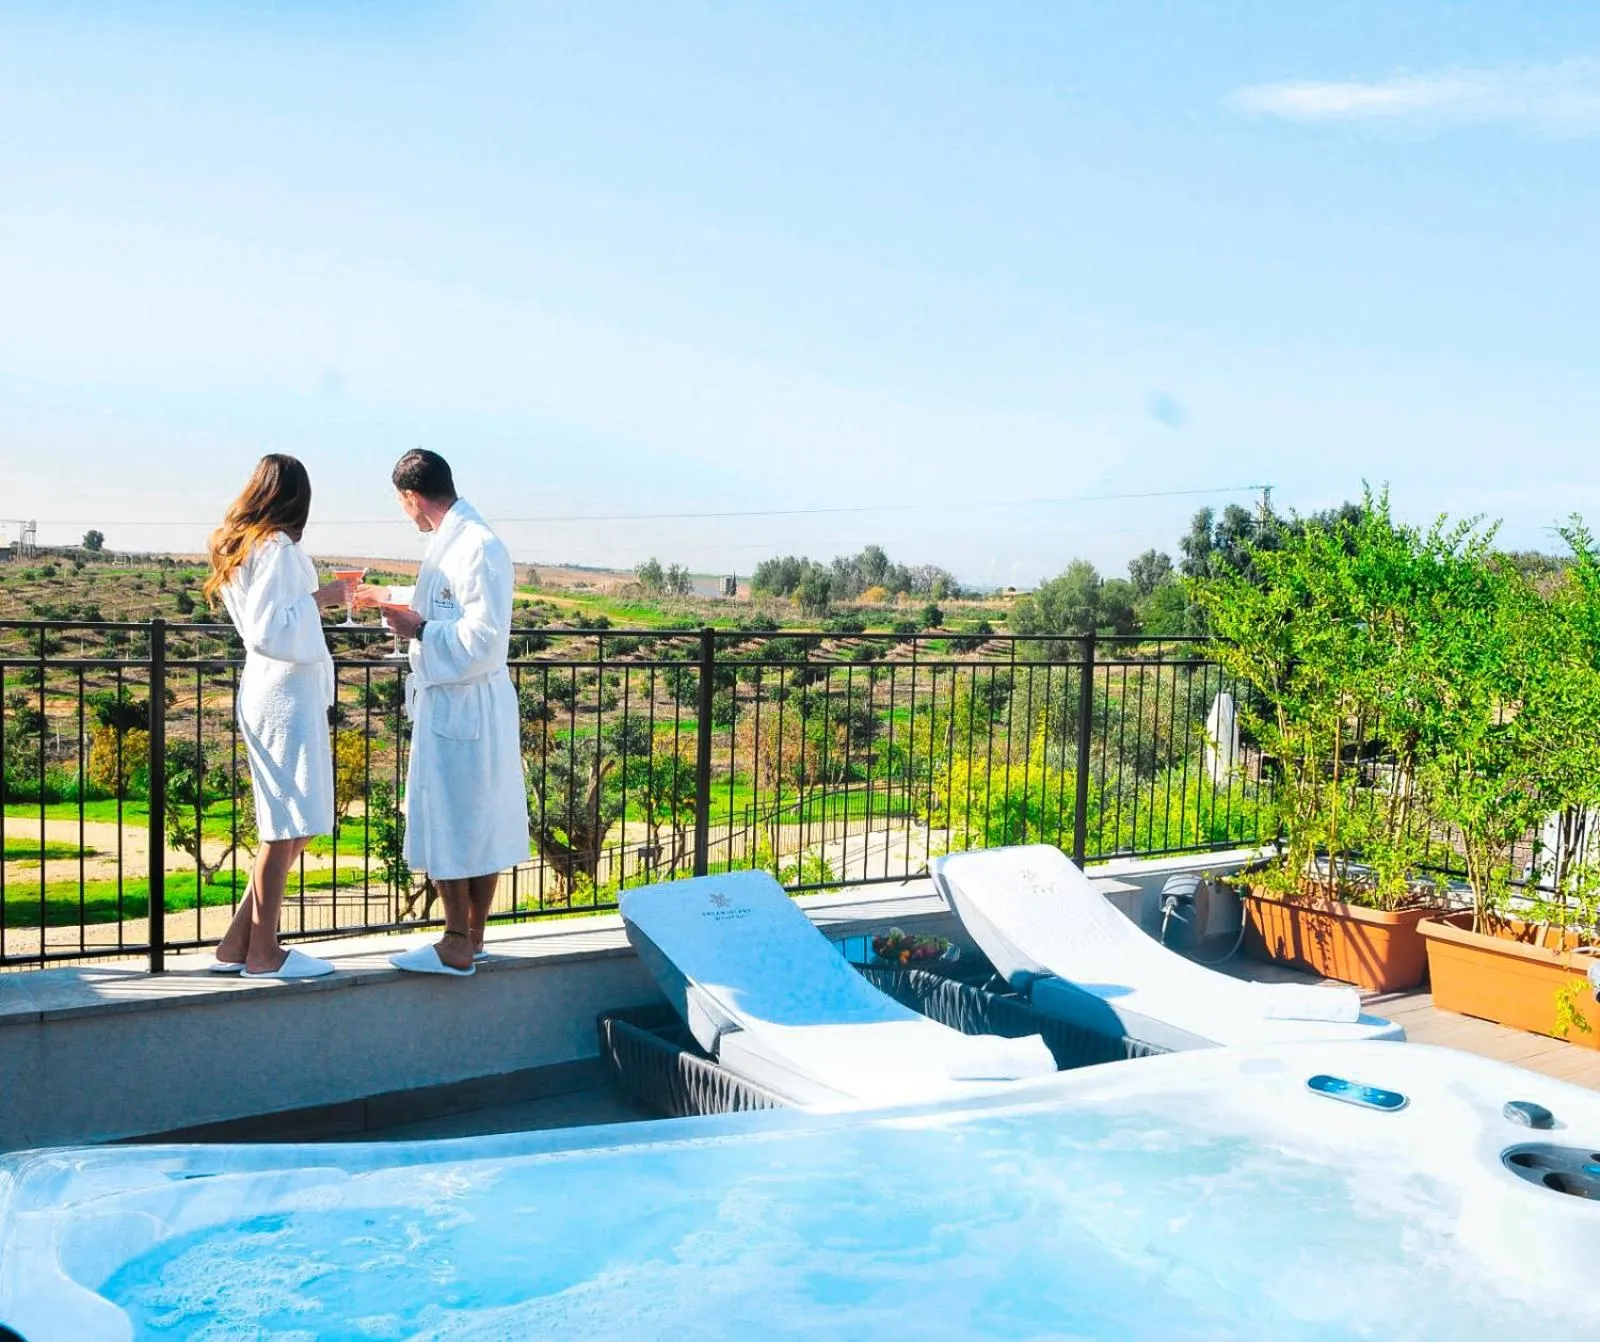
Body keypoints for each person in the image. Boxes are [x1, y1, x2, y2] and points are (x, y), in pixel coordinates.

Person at [375, 449, 529, 976]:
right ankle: (472, 939)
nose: (405, 513)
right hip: (461, 703)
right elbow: (452, 602)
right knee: (474, 821)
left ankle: (457, 940)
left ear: (412, 496)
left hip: (465, 703)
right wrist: (393, 599)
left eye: (402, 503)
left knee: (456, 822)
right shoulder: (459, 542)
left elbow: (483, 639)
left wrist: (417, 629)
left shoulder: (478, 546)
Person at [204, 454, 349, 978]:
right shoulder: (278, 549)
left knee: (298, 821)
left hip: (270, 690)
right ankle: (264, 954)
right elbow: (270, 630)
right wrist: (323, 597)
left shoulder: (248, 546)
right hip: (285, 694)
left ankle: (236, 943)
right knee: (286, 826)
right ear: (296, 498)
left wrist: (313, 601)